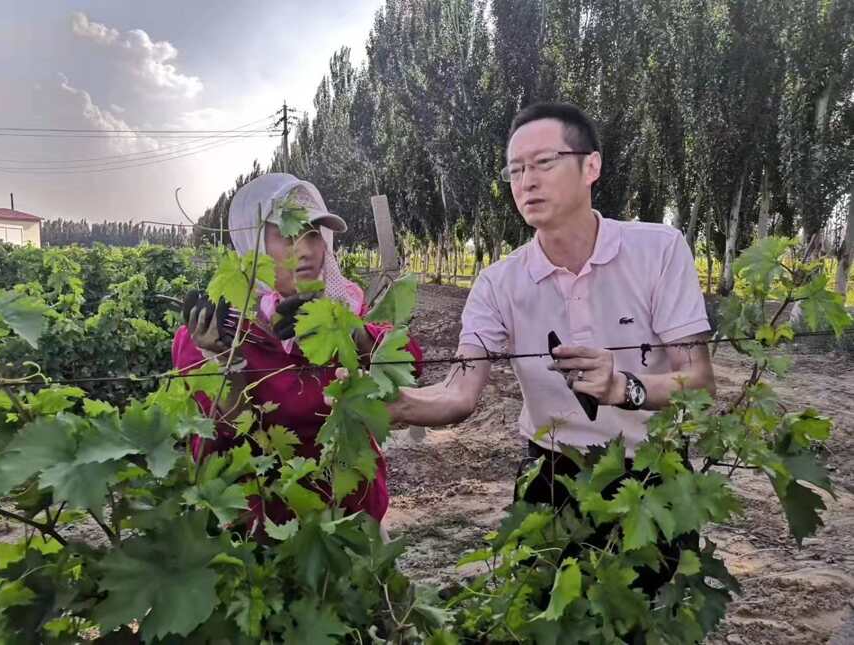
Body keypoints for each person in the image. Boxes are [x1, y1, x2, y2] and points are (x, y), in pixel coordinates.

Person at [388, 102, 715, 590]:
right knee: (547, 618)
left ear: (591, 166)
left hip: (651, 476)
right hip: (550, 477)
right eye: (516, 170)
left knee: (652, 619)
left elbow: (700, 383)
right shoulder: (498, 284)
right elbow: (459, 392)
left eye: (544, 163)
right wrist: (394, 404)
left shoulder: (658, 250)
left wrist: (624, 386)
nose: (527, 181)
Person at [172, 172, 422, 530]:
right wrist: (225, 361)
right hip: (260, 530)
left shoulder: (344, 308)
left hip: (352, 517)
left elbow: (409, 363)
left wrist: (347, 332)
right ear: (251, 244)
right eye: (286, 235)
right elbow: (231, 430)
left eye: (312, 234)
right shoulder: (215, 333)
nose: (304, 249)